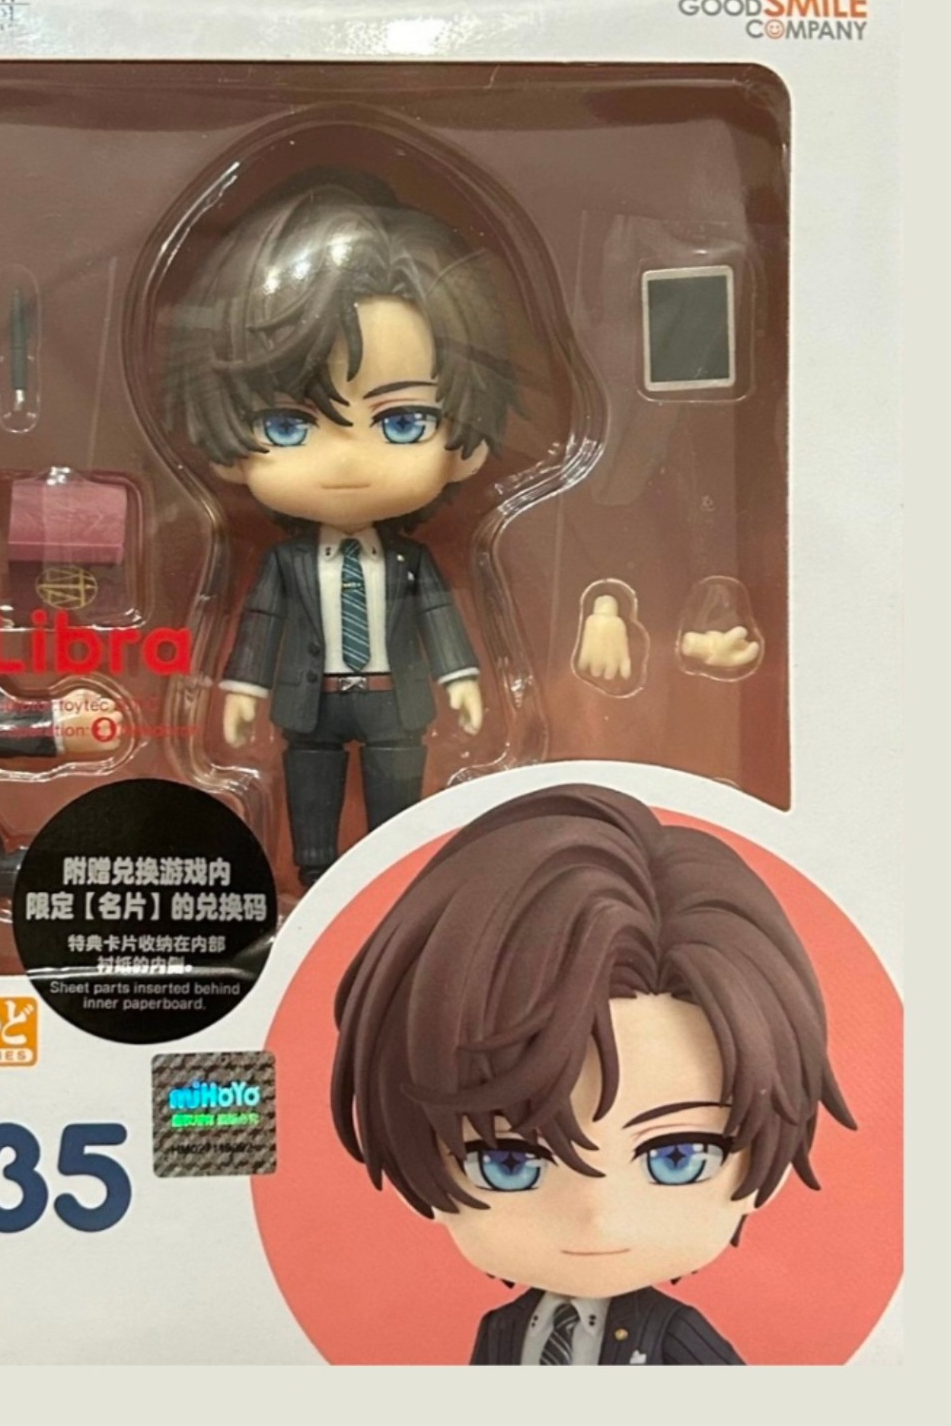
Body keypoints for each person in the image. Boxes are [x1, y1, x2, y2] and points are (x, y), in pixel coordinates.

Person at [330, 782, 855, 1364]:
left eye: (678, 1157)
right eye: (508, 1162)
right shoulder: (503, 1329)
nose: (597, 1216)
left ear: (767, 1171)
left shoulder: (672, 1334)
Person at [166, 175, 517, 885]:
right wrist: (244, 688)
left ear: (466, 443)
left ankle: (393, 875)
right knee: (311, 790)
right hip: (310, 701)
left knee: (396, 798)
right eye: (287, 425)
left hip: (395, 700)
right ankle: (316, 874)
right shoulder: (286, 564)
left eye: (403, 422)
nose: (348, 462)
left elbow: (439, 615)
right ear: (225, 443)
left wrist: (461, 679)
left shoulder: (411, 563)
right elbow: (262, 623)